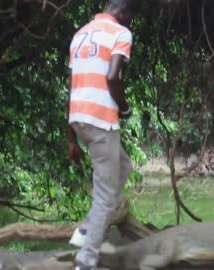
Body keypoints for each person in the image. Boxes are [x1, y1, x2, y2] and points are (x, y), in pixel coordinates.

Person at [66, 0, 135, 269]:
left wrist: (71, 139)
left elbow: (71, 88)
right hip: (100, 120)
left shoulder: (80, 34)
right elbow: (113, 76)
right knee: (106, 195)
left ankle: (87, 227)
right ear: (124, 12)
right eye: (129, 17)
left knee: (124, 165)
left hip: (79, 117)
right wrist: (125, 108)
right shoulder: (120, 33)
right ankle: (86, 260)